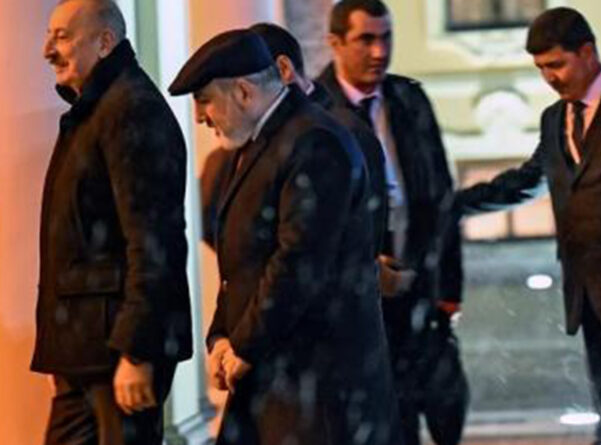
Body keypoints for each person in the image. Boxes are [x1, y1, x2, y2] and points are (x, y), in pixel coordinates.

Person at [169, 29, 399, 445]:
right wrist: (222, 336)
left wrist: (243, 344)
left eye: (204, 100)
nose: (200, 116)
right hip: (277, 376)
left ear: (243, 92)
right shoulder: (261, 142)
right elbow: (244, 260)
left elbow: (299, 260)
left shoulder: (314, 141)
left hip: (315, 385)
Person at [456, 7, 601, 445]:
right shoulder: (555, 119)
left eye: (556, 64)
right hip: (590, 302)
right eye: (541, 68)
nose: (549, 77)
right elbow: (530, 180)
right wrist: (453, 206)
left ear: (587, 52)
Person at [33, 0, 193, 444]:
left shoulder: (131, 109)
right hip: (88, 350)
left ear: (105, 42)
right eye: (49, 36)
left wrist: (137, 350)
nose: (47, 50)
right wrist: (62, 351)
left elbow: (154, 240)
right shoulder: (99, 108)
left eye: (62, 37)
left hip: (116, 350)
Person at [316, 1, 468, 444]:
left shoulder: (408, 99)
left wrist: (449, 292)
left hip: (419, 291)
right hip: (358, 304)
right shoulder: (316, 111)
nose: (379, 51)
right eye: (366, 39)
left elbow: (441, 196)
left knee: (435, 413)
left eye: (386, 38)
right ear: (335, 43)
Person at [200, 22, 388, 261]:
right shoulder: (236, 141)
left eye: (248, 80)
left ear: (283, 69)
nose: (241, 95)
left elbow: (361, 238)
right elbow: (212, 221)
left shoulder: (344, 132)